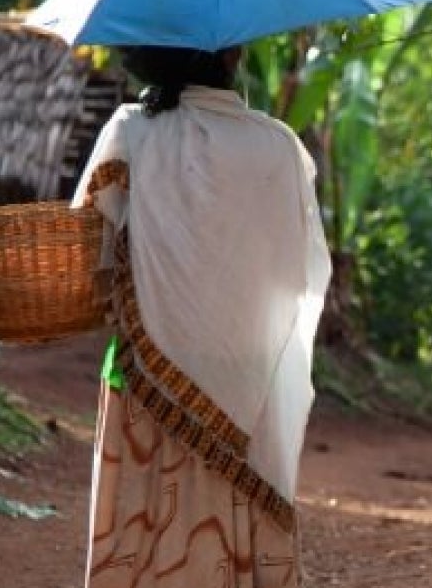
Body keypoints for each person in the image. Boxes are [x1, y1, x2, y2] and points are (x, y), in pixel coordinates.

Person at [71, 45, 331, 588]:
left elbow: (84, 245)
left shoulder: (132, 132)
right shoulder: (278, 146)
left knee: (144, 521)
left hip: (147, 372)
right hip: (250, 368)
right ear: (233, 55)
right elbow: (294, 274)